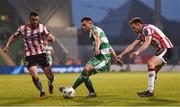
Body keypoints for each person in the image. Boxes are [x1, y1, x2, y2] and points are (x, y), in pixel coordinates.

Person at [60, 16, 123, 97]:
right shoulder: (95, 31)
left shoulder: (94, 29)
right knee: (85, 74)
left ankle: (71, 89)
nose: (83, 27)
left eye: (84, 25)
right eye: (82, 25)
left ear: (90, 23)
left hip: (104, 58)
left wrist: (97, 48)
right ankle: (91, 93)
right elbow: (109, 45)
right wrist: (115, 57)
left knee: (86, 69)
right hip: (99, 57)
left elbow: (97, 37)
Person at [117, 17, 174, 97]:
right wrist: (122, 54)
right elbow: (132, 45)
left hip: (166, 48)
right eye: (131, 28)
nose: (133, 30)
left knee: (150, 63)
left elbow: (148, 41)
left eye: (133, 27)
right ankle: (150, 91)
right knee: (154, 71)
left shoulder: (147, 28)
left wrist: (138, 52)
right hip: (160, 51)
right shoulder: (142, 34)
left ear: (139, 24)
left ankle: (150, 91)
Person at [4, 11, 55, 98]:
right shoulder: (22, 28)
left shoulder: (42, 27)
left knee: (50, 76)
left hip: (41, 54)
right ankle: (42, 91)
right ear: (29, 19)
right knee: (34, 75)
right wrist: (7, 46)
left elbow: (50, 36)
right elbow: (13, 36)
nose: (35, 22)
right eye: (33, 20)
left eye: (37, 20)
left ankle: (50, 83)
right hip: (30, 55)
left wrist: (52, 38)